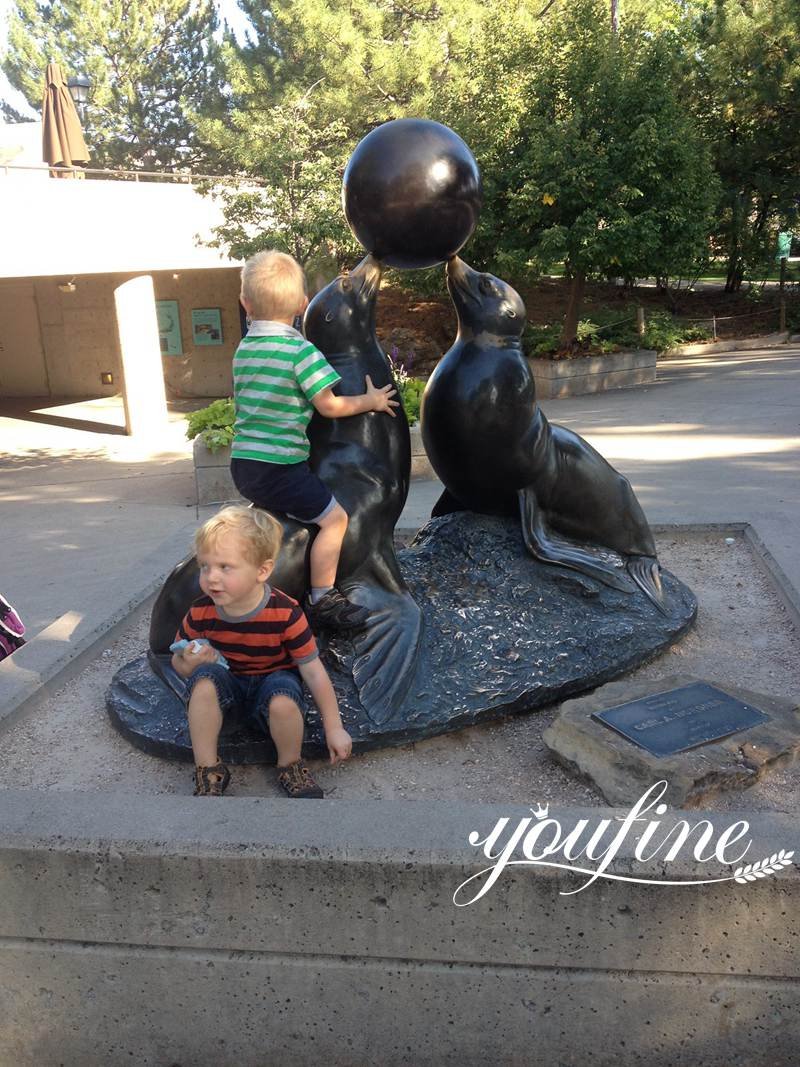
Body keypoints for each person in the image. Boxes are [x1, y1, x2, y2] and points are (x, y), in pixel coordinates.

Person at [231, 249, 398, 632]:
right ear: (303, 305)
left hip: (244, 465)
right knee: (335, 519)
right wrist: (371, 400)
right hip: (280, 468)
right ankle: (323, 596)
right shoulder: (301, 352)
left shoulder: (244, 350)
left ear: (245, 303)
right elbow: (330, 406)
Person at [171, 505, 352, 798]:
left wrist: (334, 727)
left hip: (271, 689)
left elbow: (313, 671)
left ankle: (290, 764)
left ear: (262, 570)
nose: (211, 577)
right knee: (203, 680)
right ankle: (208, 769)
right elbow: (179, 664)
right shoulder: (201, 611)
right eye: (205, 566)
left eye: (224, 567)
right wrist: (188, 662)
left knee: (283, 696)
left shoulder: (285, 613)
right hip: (227, 695)